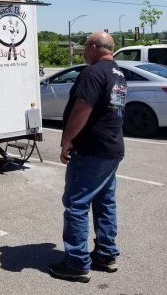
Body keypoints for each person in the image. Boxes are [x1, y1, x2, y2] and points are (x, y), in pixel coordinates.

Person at [49, 31, 127, 283]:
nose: (83, 50)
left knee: (76, 204)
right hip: (111, 149)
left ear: (94, 47)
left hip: (92, 150)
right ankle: (105, 254)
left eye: (85, 45)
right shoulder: (117, 72)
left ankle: (76, 263)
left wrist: (66, 141)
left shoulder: (92, 73)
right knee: (105, 202)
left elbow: (83, 109)